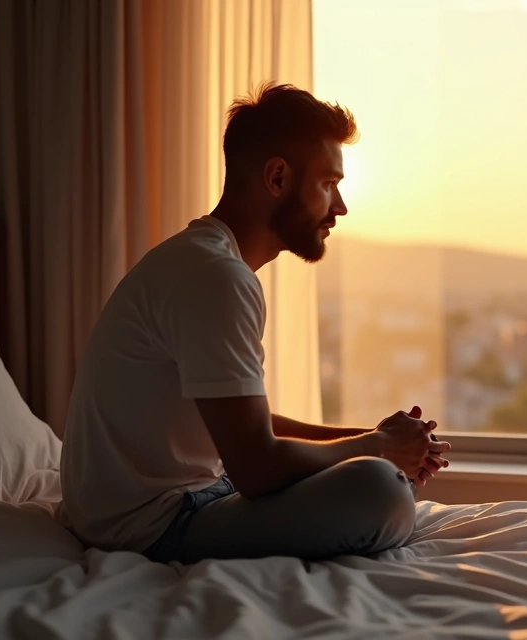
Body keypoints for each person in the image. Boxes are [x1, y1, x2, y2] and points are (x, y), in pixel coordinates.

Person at [60, 83, 450, 564]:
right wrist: (379, 448)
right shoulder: (217, 277)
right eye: (328, 184)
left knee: (378, 474)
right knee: (382, 490)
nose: (340, 206)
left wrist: (372, 438)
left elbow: (247, 429)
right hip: (150, 524)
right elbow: (256, 467)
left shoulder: (203, 261)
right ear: (278, 178)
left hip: (188, 495)